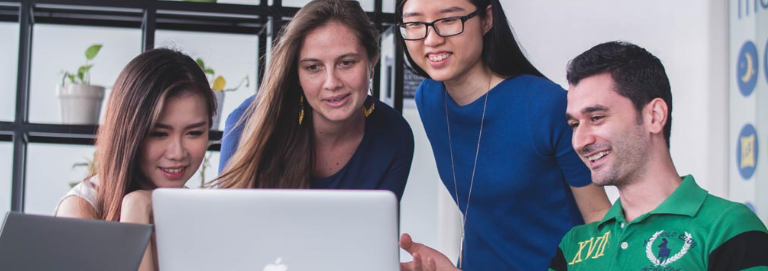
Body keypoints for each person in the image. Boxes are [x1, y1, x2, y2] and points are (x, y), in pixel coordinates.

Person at [396, 0, 611, 270]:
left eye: (449, 20)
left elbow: (598, 215)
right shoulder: (429, 99)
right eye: (415, 23)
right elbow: (484, 212)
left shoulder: (546, 105)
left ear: (487, 19)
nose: (431, 39)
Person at [548, 41, 768, 270]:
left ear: (654, 116)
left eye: (596, 118)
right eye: (574, 125)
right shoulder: (573, 246)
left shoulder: (727, 227)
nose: (580, 141)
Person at [214, 0, 414, 198]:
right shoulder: (249, 121)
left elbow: (380, 219)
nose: (331, 83)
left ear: (372, 61)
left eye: (346, 62)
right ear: (296, 74)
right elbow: (228, 215)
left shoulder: (395, 134)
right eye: (313, 67)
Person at [55, 48, 216, 271]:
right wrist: (136, 209)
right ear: (128, 134)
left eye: (194, 133)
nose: (177, 153)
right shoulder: (81, 210)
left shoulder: (199, 213)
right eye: (159, 134)